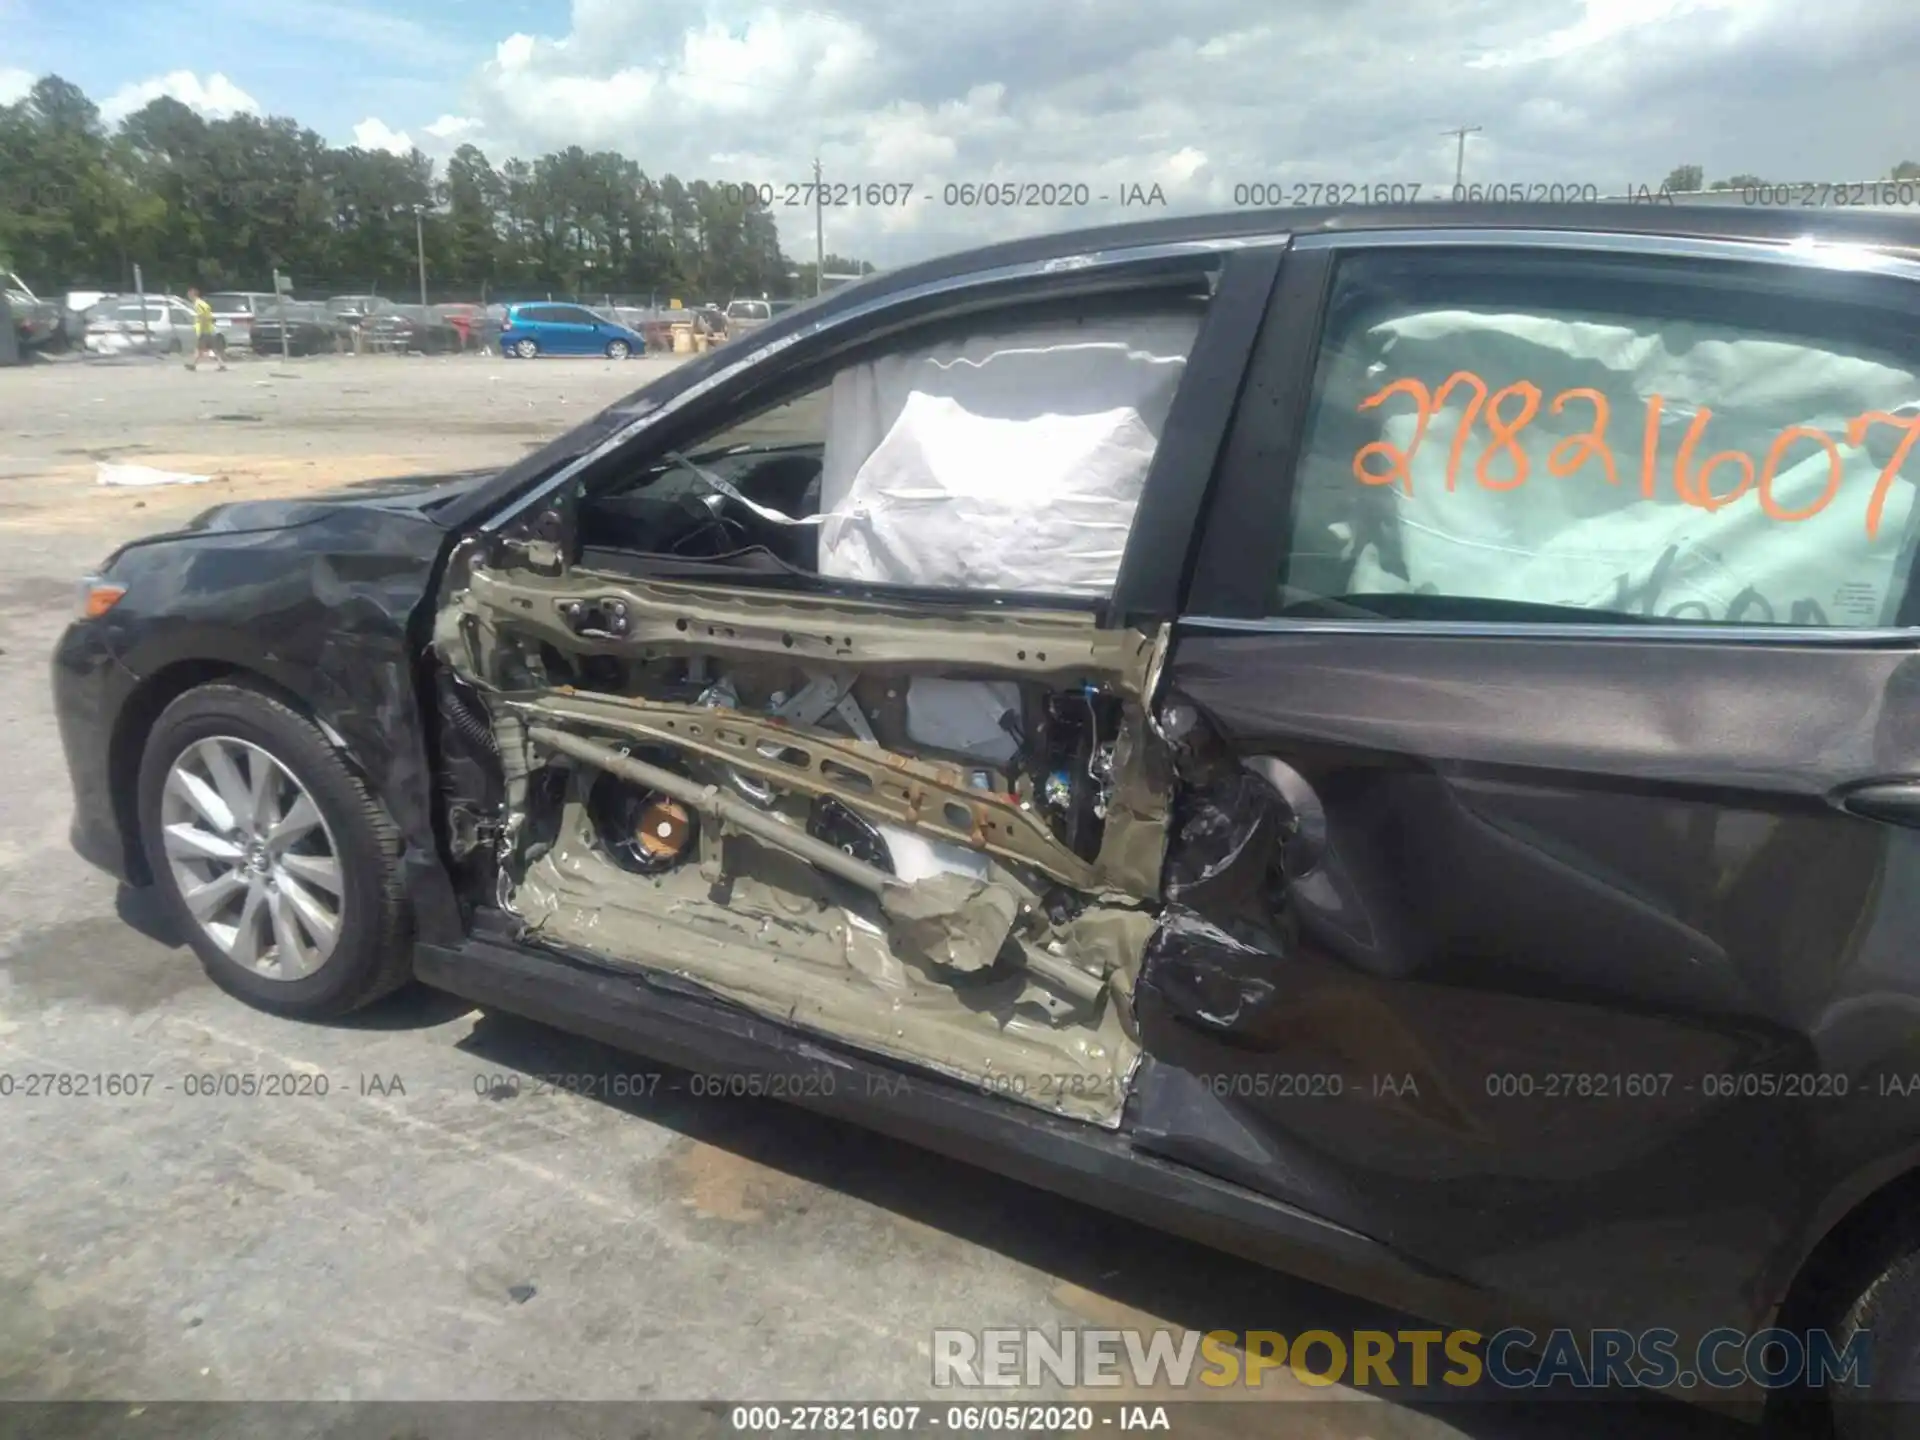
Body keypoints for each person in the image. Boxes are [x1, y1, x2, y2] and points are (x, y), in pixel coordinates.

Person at [186, 287, 224, 371]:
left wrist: (202, 329)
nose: (188, 297)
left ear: (192, 295)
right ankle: (221, 365)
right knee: (211, 348)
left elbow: (202, 316)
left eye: (189, 295)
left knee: (199, 348)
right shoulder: (203, 303)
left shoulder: (198, 304)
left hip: (204, 330)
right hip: (209, 329)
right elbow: (209, 316)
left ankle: (193, 365)